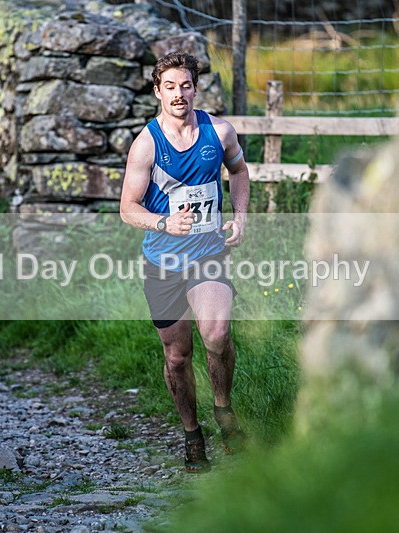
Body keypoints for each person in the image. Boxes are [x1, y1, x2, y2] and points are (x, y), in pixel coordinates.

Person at [120, 52, 250, 473]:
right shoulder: (146, 144)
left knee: (216, 333)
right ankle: (192, 434)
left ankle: (224, 409)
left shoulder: (220, 131)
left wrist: (241, 215)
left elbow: (240, 172)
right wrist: (163, 222)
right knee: (177, 355)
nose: (179, 94)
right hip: (163, 262)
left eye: (186, 85)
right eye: (170, 86)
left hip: (208, 253)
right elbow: (127, 208)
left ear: (196, 88)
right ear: (158, 91)